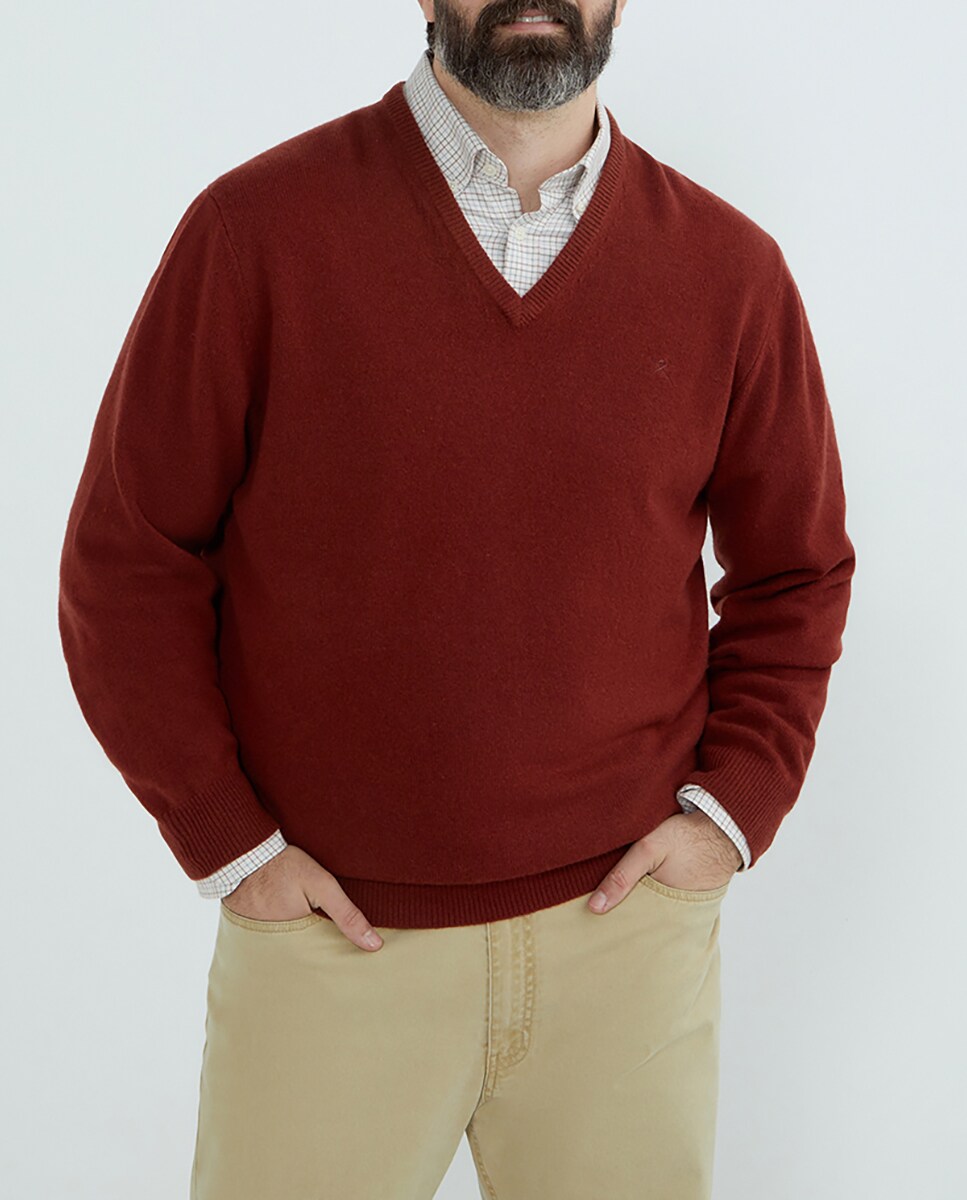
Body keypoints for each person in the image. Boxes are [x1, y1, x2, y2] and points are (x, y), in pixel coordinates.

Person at [57, 2, 856, 1196]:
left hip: (624, 945)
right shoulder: (254, 235)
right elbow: (128, 561)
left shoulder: (729, 271)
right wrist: (229, 842)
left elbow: (795, 572)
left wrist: (728, 814)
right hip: (332, 943)